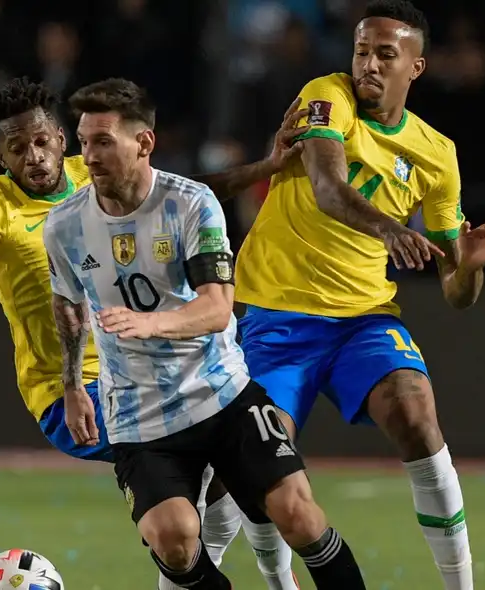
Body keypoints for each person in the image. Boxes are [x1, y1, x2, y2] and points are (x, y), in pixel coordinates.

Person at [0, 77, 308, 589]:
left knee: (227, 460)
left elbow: (184, 190)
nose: (34, 156)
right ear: (0, 157)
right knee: (206, 468)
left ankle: (273, 579)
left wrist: (266, 168)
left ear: (62, 138)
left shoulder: (92, 170)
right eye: (17, 148)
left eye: (42, 140)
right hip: (73, 393)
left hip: (151, 366)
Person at [44, 77, 367, 590]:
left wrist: (149, 324)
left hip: (221, 395)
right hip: (137, 414)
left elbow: (218, 309)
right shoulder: (63, 225)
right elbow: (66, 303)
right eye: (83, 142)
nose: (89, 156)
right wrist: (70, 384)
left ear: (143, 142)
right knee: (173, 539)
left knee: (298, 513)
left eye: (103, 141)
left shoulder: (191, 204)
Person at [234, 2, 485, 589]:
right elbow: (330, 187)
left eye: (386, 54)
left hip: (363, 320)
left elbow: (457, 293)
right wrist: (390, 228)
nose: (369, 64)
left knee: (415, 412)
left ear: (416, 67)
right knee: (263, 466)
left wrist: (468, 267)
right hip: (276, 319)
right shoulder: (326, 96)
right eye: (362, 50)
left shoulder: (437, 155)